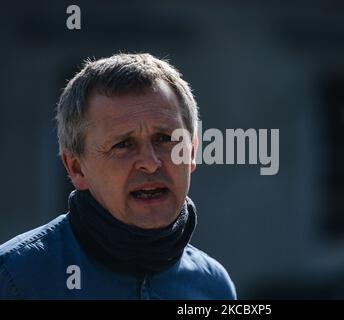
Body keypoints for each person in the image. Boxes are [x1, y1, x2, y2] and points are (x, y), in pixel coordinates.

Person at [0, 53, 237, 299]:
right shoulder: (15, 279)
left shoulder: (213, 286)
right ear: (76, 168)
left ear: (192, 152)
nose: (150, 163)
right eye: (123, 144)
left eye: (166, 139)